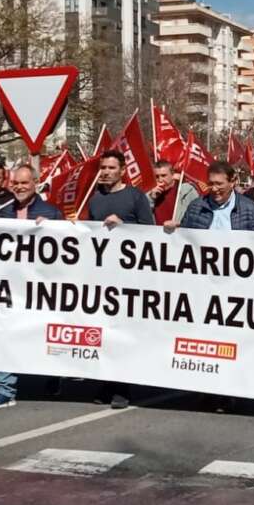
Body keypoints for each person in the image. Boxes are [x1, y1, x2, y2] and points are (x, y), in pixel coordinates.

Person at [0, 164, 64, 410]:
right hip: (10, 289)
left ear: (36, 183)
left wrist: (51, 230)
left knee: (43, 335)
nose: (19, 187)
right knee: (4, 334)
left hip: (42, 290)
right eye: (16, 183)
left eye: (25, 182)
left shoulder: (51, 213)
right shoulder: (3, 214)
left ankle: (53, 376)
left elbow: (66, 251)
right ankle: (5, 390)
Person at [87, 150, 154, 408]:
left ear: (122, 170)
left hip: (129, 276)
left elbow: (150, 231)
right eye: (102, 167)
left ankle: (122, 388)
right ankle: (106, 380)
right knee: (104, 331)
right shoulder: (93, 199)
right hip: (103, 275)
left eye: (111, 167)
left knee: (123, 332)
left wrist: (123, 226)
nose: (105, 172)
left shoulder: (135, 196)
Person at [173, 161, 254, 232]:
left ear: (232, 182)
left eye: (219, 184)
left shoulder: (251, 211)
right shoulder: (195, 207)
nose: (214, 189)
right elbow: (183, 239)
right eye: (210, 183)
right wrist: (174, 231)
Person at [151, 159, 198, 224]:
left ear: (173, 175)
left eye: (163, 175)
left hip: (179, 232)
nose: (160, 180)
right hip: (156, 233)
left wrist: (180, 224)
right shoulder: (151, 192)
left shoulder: (186, 191)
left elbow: (196, 216)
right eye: (157, 176)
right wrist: (151, 198)